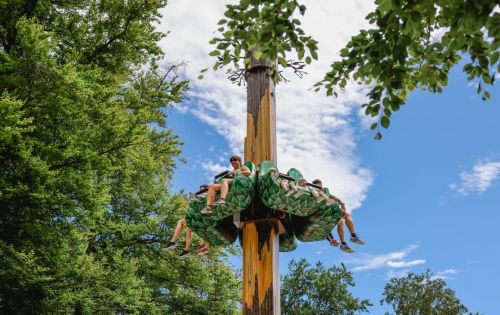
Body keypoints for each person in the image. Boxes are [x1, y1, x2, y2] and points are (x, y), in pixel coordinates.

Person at [311, 179, 365, 253]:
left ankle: (353, 236)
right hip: (323, 213)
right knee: (340, 221)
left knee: (345, 216)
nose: (320, 187)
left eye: (320, 185)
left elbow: (335, 198)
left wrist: (342, 204)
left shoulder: (324, 191)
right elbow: (317, 196)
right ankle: (344, 243)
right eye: (318, 185)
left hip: (332, 210)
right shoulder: (314, 191)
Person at [164, 184, 209, 258]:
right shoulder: (199, 195)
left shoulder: (208, 194)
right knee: (188, 229)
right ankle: (185, 250)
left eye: (202, 189)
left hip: (202, 216)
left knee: (182, 223)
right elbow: (195, 203)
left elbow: (205, 202)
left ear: (206, 189)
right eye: (200, 189)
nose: (201, 191)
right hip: (196, 214)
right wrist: (189, 199)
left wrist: (197, 199)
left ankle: (174, 243)